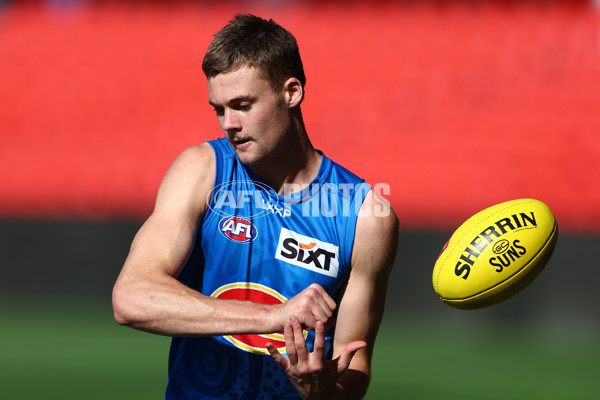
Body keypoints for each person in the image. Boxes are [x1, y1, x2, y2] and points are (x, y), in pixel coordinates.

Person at [112, 13, 398, 400]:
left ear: (291, 91)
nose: (228, 123)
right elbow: (131, 298)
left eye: (243, 105)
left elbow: (356, 367)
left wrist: (320, 392)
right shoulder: (202, 170)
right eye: (219, 108)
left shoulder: (365, 217)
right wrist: (272, 318)